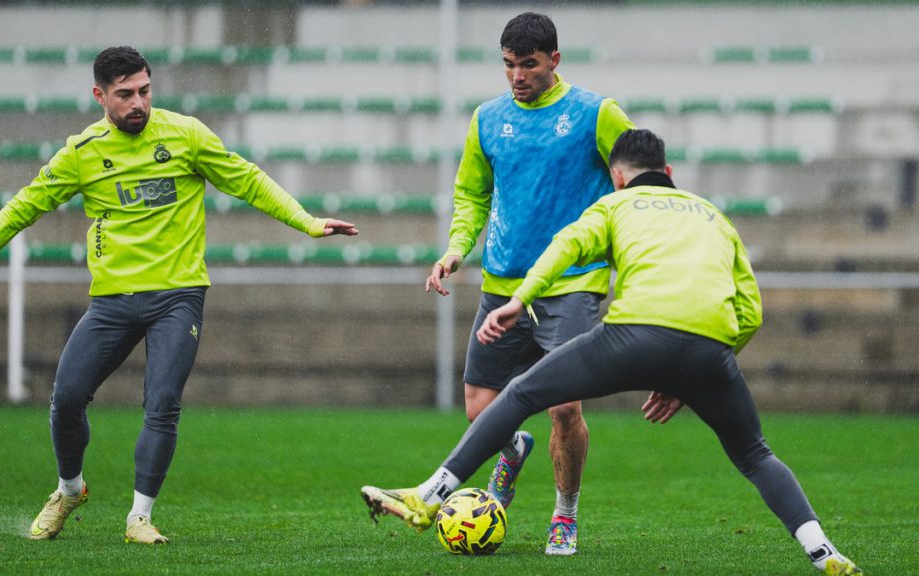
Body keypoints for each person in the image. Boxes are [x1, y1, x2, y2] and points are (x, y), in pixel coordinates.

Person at [363, 129, 862, 575]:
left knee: (519, 394)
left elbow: (564, 247)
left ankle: (429, 497)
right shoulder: (714, 216)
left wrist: (521, 299)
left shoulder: (615, 205)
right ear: (668, 173)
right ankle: (824, 553)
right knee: (755, 453)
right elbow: (751, 312)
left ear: (616, 177)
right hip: (711, 348)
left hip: (633, 336)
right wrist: (701, 369)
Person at [0, 46, 358, 544]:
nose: (139, 102)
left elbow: (248, 181)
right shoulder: (83, 152)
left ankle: (140, 517)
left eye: (145, 91)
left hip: (179, 295)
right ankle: (69, 489)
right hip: (112, 301)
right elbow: (24, 207)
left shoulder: (186, 135)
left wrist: (306, 222)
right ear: (100, 96)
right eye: (126, 94)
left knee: (162, 404)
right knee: (66, 399)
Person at [423, 11, 635, 555]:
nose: (518, 76)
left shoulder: (595, 113)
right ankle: (513, 447)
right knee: (479, 408)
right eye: (509, 65)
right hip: (503, 282)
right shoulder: (487, 119)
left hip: (572, 284)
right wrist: (454, 249)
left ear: (555, 61)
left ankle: (564, 515)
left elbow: (639, 179)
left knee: (565, 407)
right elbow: (472, 194)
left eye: (530, 65)